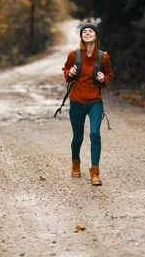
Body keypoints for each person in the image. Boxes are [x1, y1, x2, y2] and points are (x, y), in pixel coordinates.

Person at [62, 23, 114, 186]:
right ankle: (75, 163)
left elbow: (109, 74)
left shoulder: (102, 57)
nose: (87, 32)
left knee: (94, 134)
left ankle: (95, 172)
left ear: (96, 36)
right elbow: (66, 69)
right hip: (76, 101)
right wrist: (69, 73)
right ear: (81, 37)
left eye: (91, 30)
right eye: (84, 31)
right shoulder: (74, 55)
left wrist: (103, 79)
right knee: (77, 137)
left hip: (94, 102)